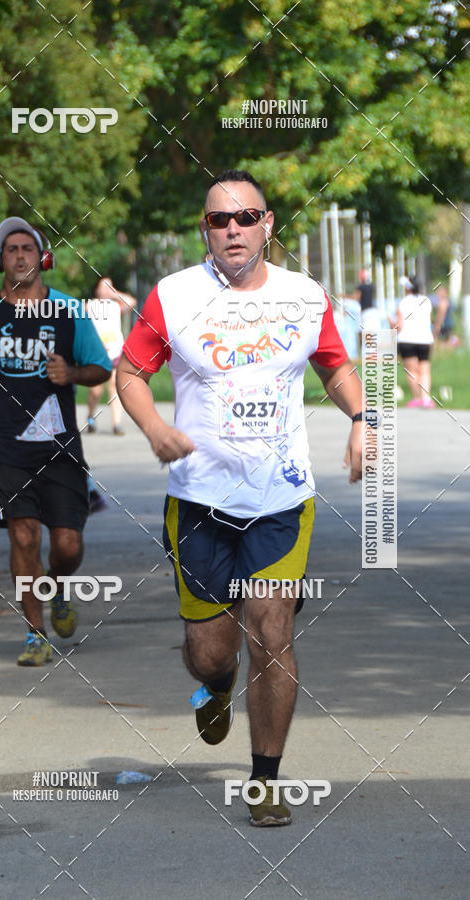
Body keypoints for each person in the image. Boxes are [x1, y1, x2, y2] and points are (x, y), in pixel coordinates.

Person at [117, 169, 364, 827]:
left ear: (268, 224)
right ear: (205, 229)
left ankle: (265, 779)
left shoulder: (303, 297)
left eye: (246, 217)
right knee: (211, 650)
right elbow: (130, 371)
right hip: (199, 500)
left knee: (272, 633)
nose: (233, 230)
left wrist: (362, 418)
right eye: (219, 220)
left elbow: (335, 364)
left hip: (281, 497)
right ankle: (216, 686)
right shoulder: (173, 296)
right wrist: (155, 427)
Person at [0, 217, 111, 666]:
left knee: (67, 545)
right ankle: (35, 633)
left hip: (59, 446)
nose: (20, 255)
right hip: (5, 446)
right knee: (23, 537)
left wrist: (72, 373)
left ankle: (59, 585)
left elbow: (101, 368)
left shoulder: (68, 311)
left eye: (28, 248)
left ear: (43, 258)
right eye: (11, 249)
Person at [86, 277, 137, 435]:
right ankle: (91, 417)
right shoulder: (90, 306)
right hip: (97, 353)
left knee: (115, 386)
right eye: (104, 286)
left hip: (115, 351)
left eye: (110, 286)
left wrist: (114, 293)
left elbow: (132, 302)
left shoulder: (116, 306)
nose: (107, 289)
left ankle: (117, 424)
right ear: (97, 290)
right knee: (95, 390)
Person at [395, 275, 435, 408]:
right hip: (425, 339)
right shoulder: (426, 301)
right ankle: (426, 398)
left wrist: (391, 325)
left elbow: (399, 325)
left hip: (407, 339)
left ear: (407, 288)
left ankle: (417, 398)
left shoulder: (403, 302)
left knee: (412, 371)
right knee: (425, 370)